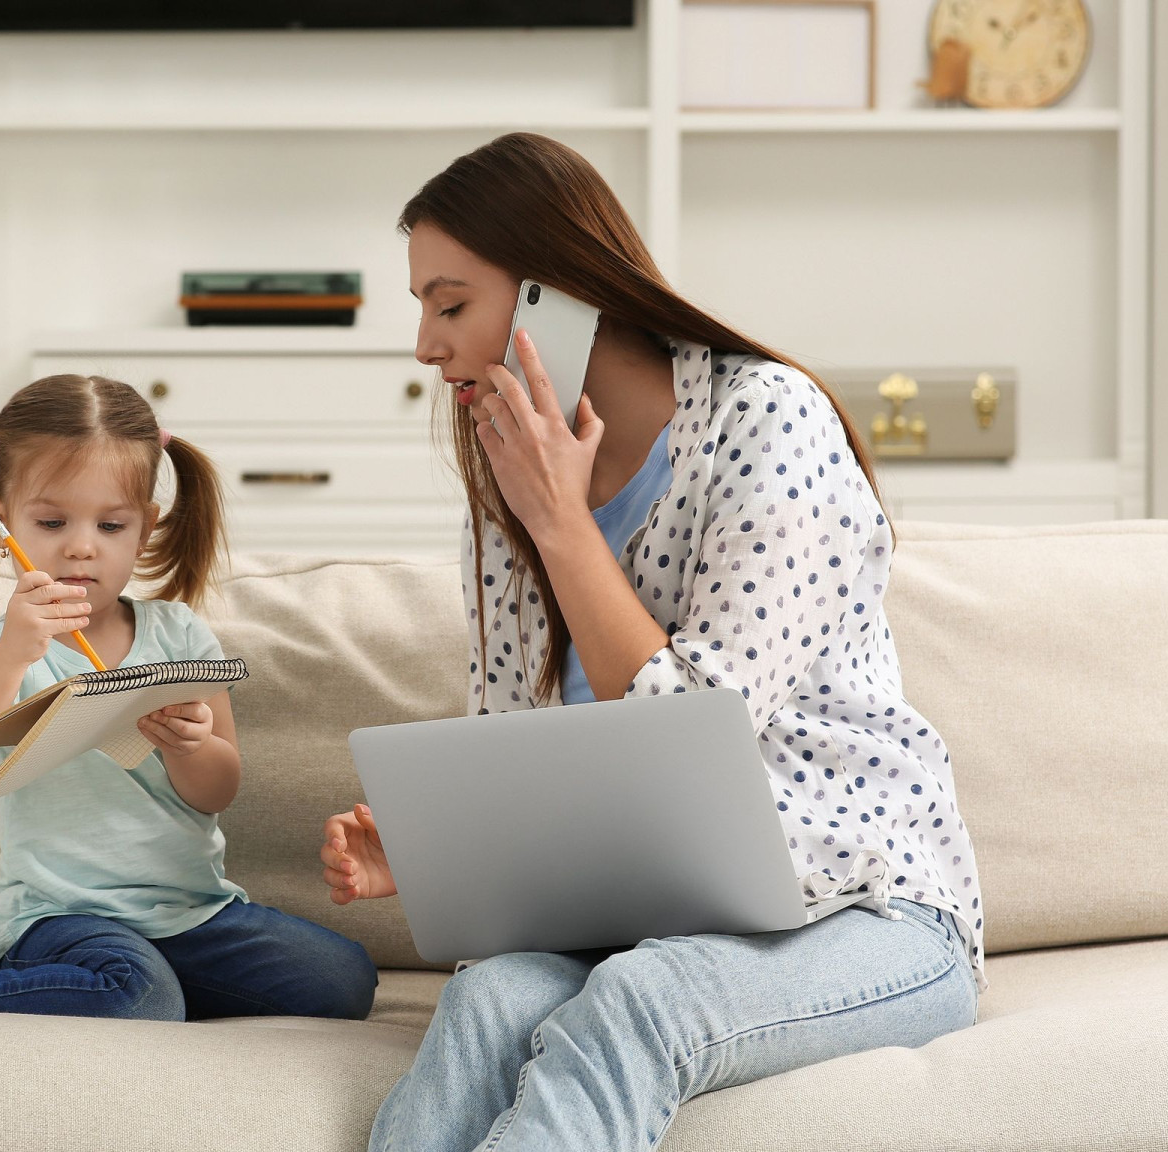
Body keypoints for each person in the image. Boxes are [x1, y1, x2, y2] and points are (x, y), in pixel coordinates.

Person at [320, 132, 984, 1151]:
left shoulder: (767, 421)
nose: (425, 343)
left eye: (450, 304)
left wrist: (563, 524)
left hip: (868, 909)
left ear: (559, 291)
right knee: (489, 1001)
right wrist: (442, 846)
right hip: (642, 915)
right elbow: (523, 751)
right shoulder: (504, 490)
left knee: (645, 1000)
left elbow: (689, 733)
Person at [0, 372, 376, 1020]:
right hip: (58, 919)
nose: (82, 546)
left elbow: (217, 791)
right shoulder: (6, 646)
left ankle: (133, 986)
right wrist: (12, 654)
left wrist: (192, 745)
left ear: (145, 529)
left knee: (346, 979)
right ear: (3, 521)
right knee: (144, 997)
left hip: (190, 912)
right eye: (52, 521)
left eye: (111, 525)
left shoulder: (180, 633)